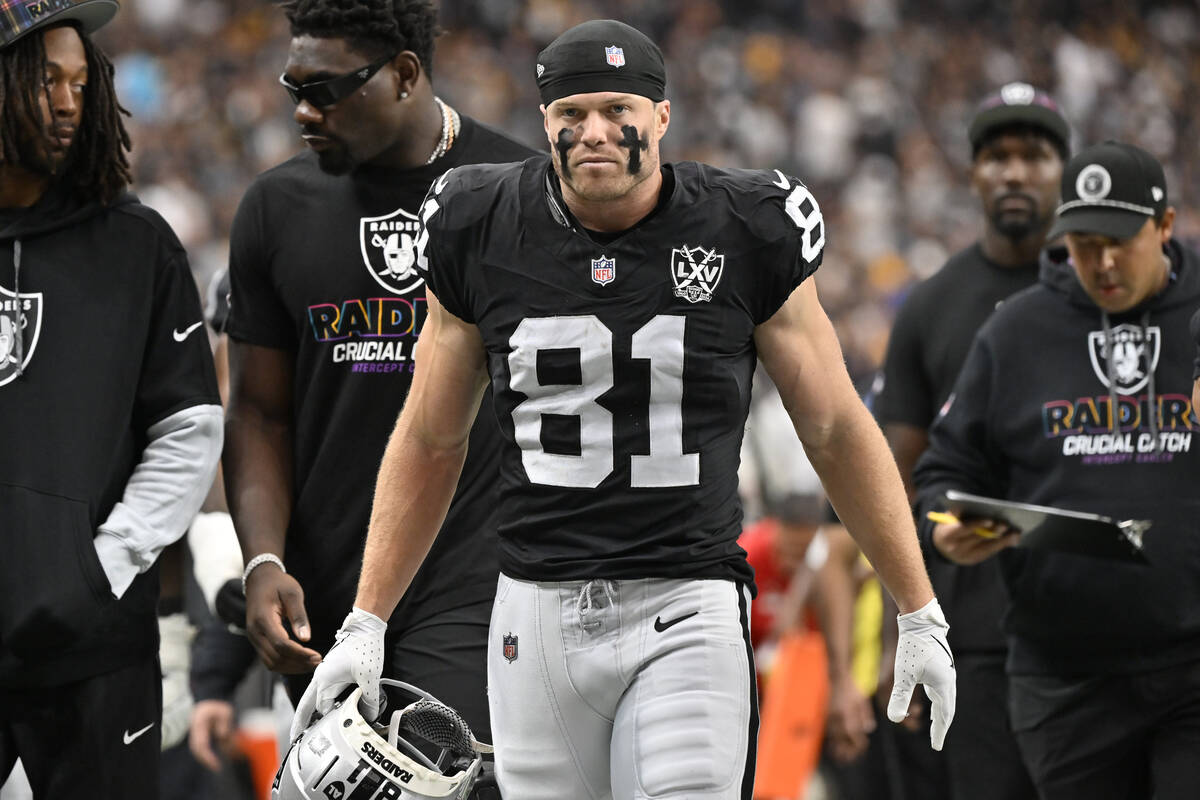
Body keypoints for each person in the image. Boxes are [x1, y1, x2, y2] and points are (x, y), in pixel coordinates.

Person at [297, 19, 956, 800]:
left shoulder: (744, 225)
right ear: (545, 122)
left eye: (618, 109)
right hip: (535, 612)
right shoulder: (477, 223)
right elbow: (432, 438)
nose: (594, 131)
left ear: (662, 116)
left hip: (684, 600)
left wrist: (918, 608)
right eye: (570, 113)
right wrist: (366, 620)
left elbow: (836, 427)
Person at [222, 0, 537, 745]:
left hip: (470, 582)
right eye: (293, 87)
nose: (304, 111)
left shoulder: (518, 193)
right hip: (319, 593)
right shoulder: (274, 208)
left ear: (403, 75)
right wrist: (263, 557)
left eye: (326, 89)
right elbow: (259, 413)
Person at [915, 141, 1200, 799]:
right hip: (1065, 677)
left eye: (1120, 241)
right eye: (1082, 242)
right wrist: (943, 530)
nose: (1100, 262)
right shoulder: (1015, 331)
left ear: (1164, 226)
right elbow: (941, 471)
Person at [0, 2, 223, 798]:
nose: (68, 102)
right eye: (43, 80)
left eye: (80, 80)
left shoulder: (137, 244)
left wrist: (99, 572)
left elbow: (189, 429)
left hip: (90, 647)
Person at [874, 82, 1068, 800]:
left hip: (1099, 617)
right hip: (976, 626)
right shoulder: (929, 306)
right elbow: (896, 478)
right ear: (974, 173)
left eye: (1035, 155)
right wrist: (907, 627)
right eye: (996, 156)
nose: (1014, 172)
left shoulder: (1111, 292)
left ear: (1067, 170)